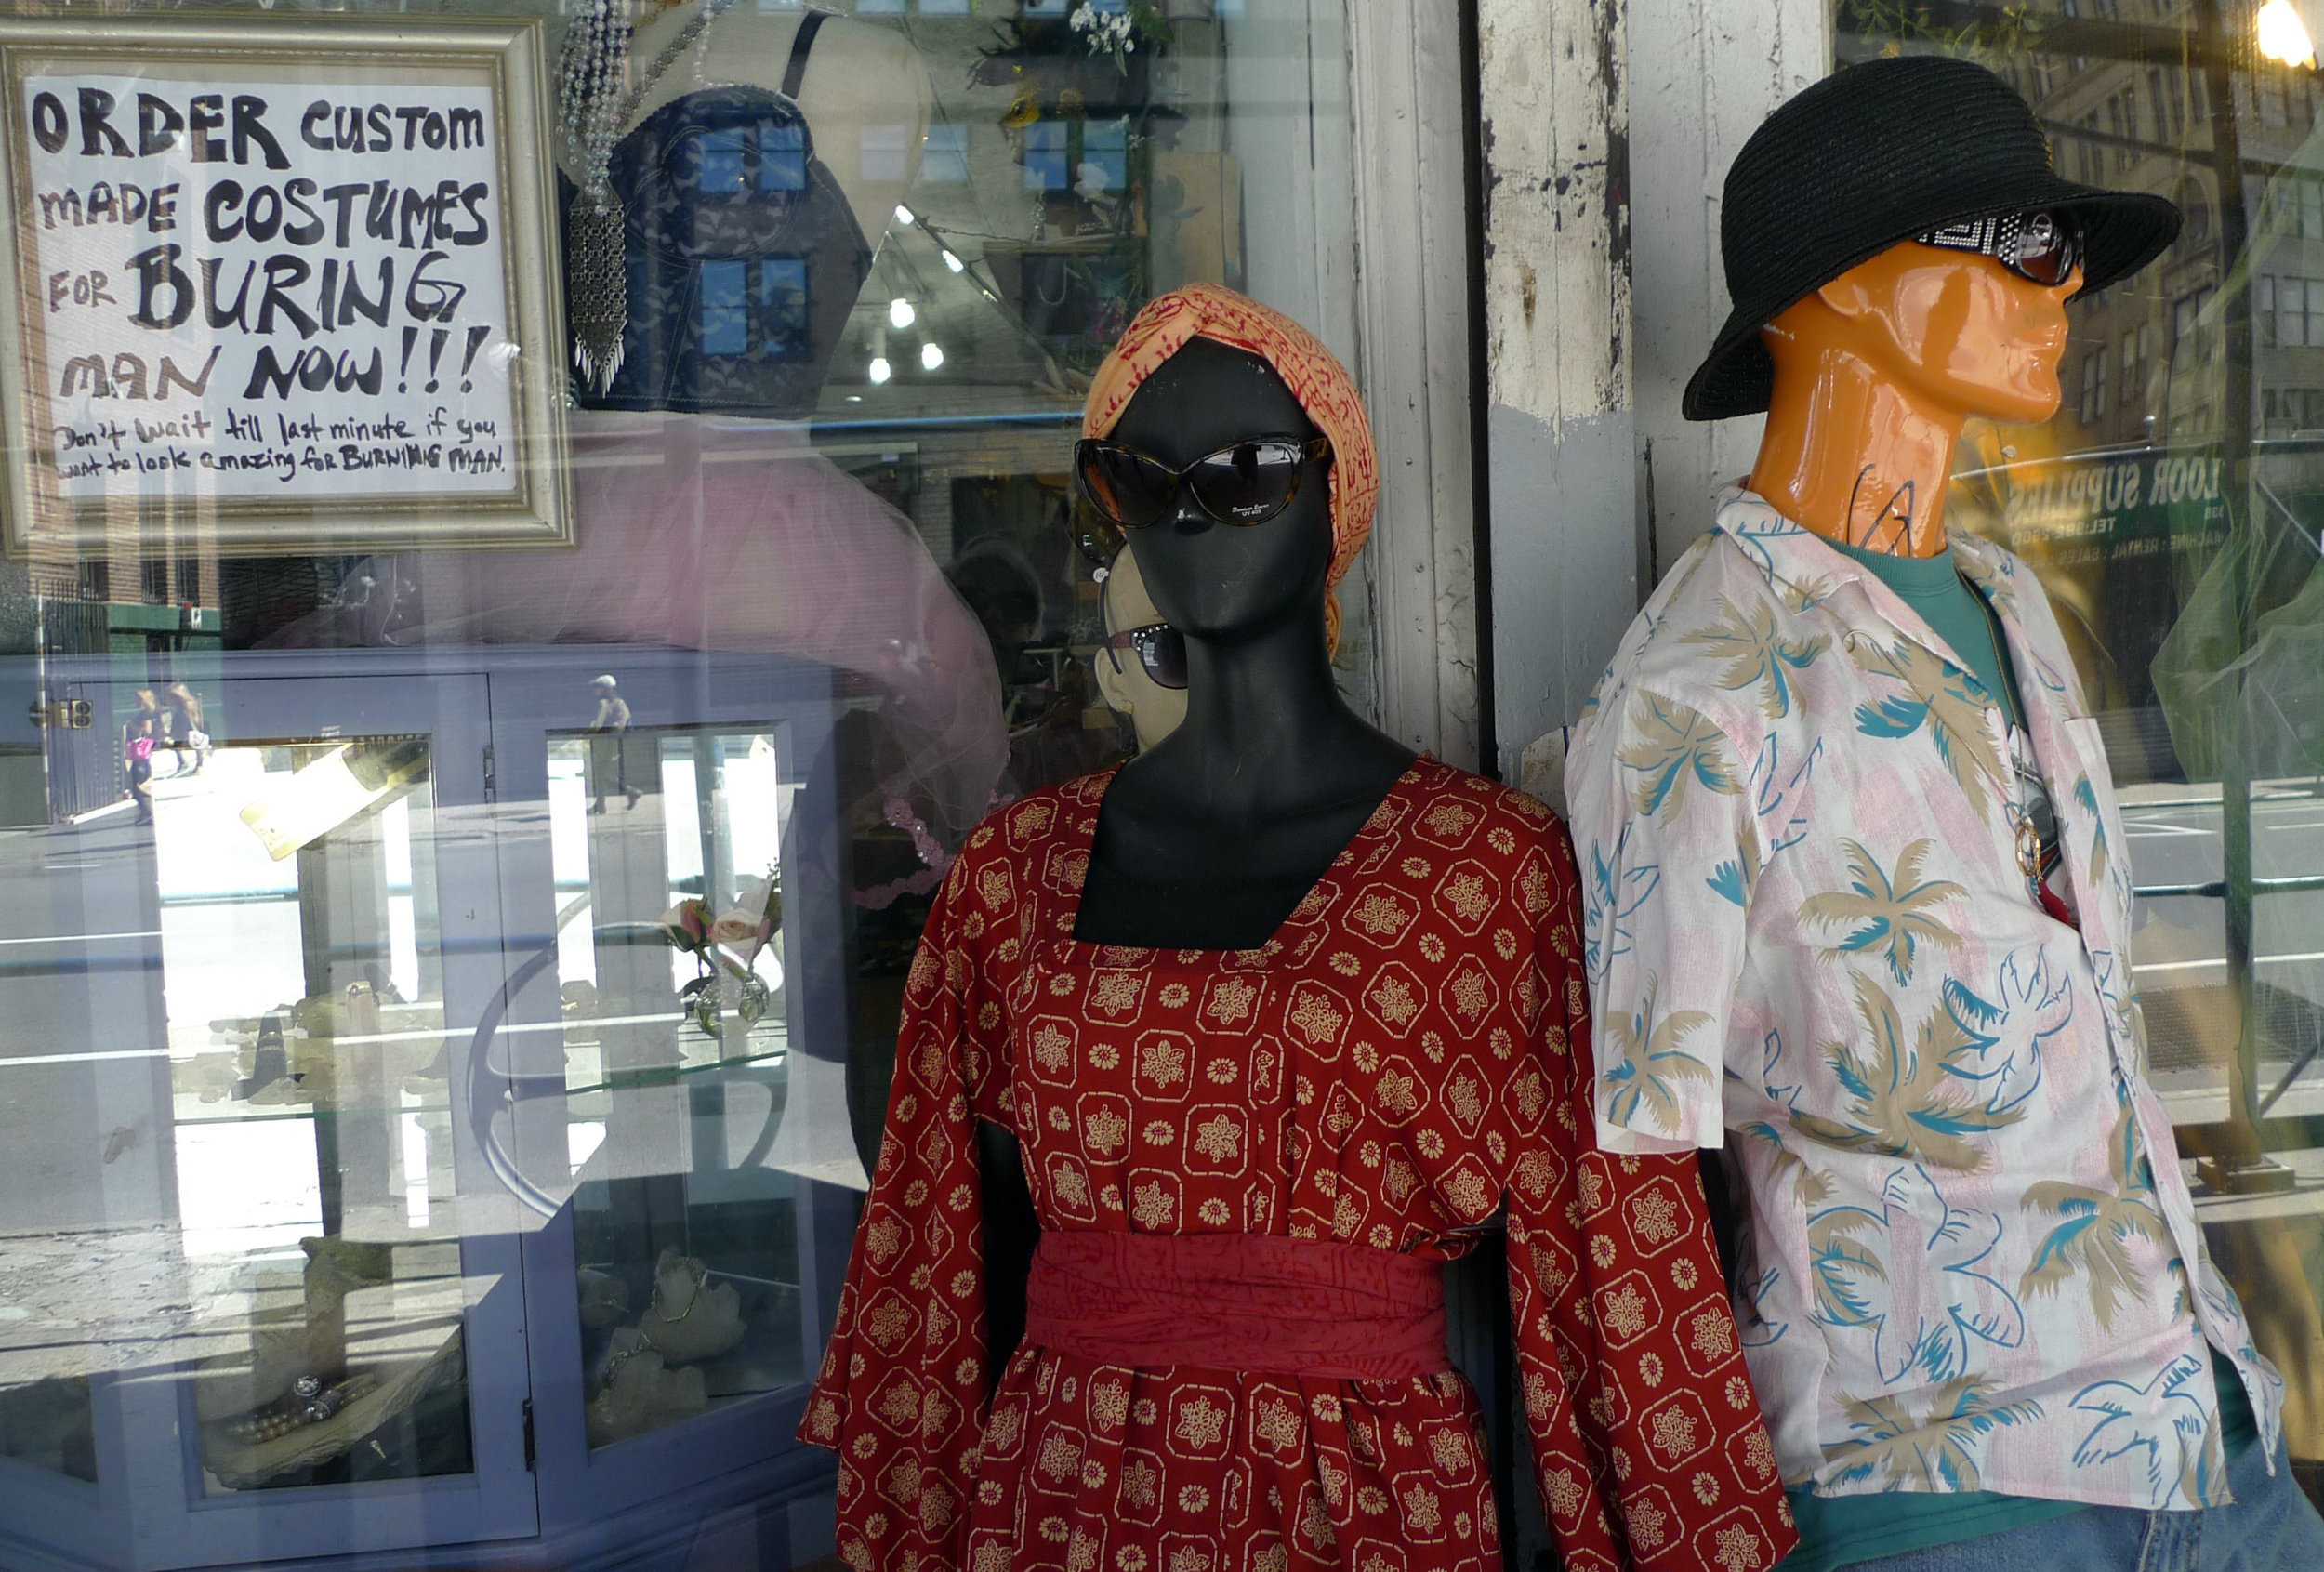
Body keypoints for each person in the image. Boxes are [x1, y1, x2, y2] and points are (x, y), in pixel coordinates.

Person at [801, 284, 1795, 1572]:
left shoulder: (1486, 870)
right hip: (1056, 1493)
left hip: (1363, 1502)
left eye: (1249, 471)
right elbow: (935, 1254)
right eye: (1144, 478)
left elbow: (1613, 1266)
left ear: (1336, 489)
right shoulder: (1017, 871)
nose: (1192, 512)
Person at [1564, 56, 2324, 1572]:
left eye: (2071, 258)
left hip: (2212, 1440)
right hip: (1950, 1491)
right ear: (1842, 290)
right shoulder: (1695, 695)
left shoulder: (2013, 604)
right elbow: (1633, 1178)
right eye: (2027, 248)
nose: (2065, 291)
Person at [587, 675, 640, 814]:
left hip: (610, 745)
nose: (595, 689)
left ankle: (628, 792)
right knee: (600, 775)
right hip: (599, 744)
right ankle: (602, 804)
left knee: (603, 774)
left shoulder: (618, 704)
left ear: (606, 689)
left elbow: (621, 722)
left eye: (598, 686)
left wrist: (607, 732)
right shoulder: (602, 703)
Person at [123, 689, 162, 824]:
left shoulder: (146, 715)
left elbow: (146, 731)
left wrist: (131, 726)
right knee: (137, 785)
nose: (135, 701)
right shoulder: (146, 714)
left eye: (138, 698)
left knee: (139, 785)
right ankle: (145, 812)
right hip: (140, 755)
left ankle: (147, 813)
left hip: (141, 755)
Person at [163, 682, 208, 775]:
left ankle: (186, 763)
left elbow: (186, 721)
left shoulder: (183, 709)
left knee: (178, 744)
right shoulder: (189, 704)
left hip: (185, 731)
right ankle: (191, 763)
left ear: (176, 697)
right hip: (186, 730)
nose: (166, 700)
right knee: (191, 746)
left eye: (168, 697)